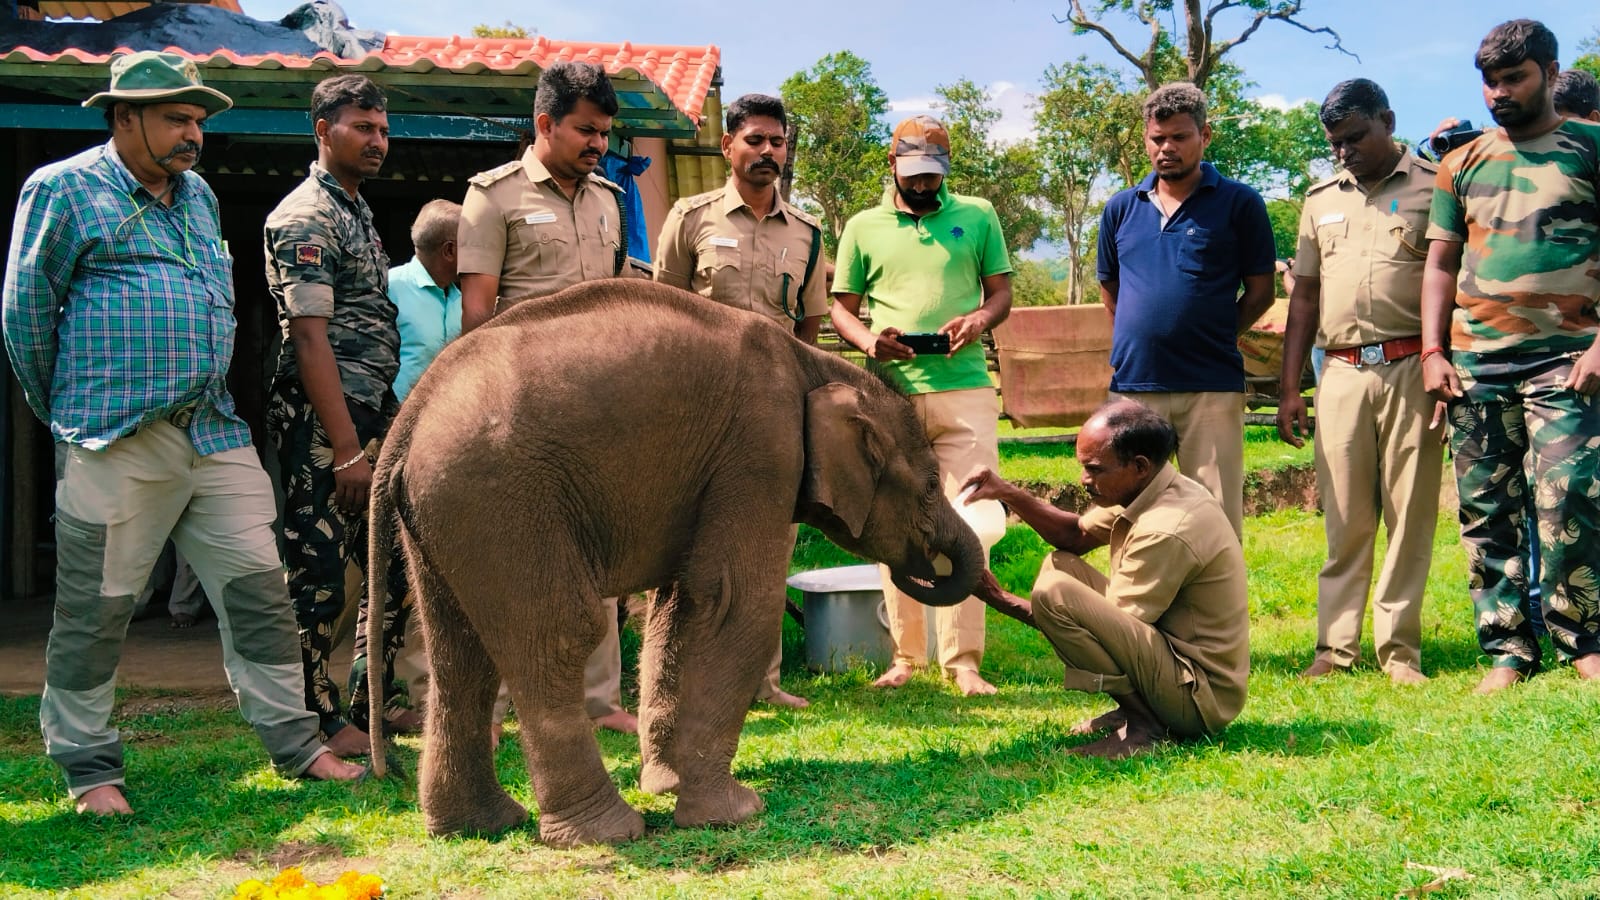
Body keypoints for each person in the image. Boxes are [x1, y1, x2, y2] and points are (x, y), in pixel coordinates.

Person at [2, 51, 365, 815]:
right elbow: (25, 318)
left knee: (262, 591)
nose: (192, 133)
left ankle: (297, 746)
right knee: (96, 608)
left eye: (197, 119)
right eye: (176, 118)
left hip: (211, 429)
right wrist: (71, 412)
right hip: (114, 437)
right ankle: (89, 770)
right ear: (123, 116)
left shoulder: (197, 195)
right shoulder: (63, 190)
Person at [456, 60, 637, 733]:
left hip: (603, 409)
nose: (597, 145)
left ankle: (598, 700)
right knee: (522, 556)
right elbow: (477, 319)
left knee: (604, 551)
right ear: (544, 124)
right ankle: (509, 703)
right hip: (526, 408)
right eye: (585, 131)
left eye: (605, 135)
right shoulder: (492, 197)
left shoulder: (611, 201)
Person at [1421, 19, 1600, 692]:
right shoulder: (1460, 163)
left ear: (1551, 74)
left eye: (1513, 78)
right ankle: (1506, 650)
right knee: (1487, 509)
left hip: (1569, 360)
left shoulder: (1589, 147)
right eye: (1489, 82)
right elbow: (1440, 262)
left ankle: (1582, 640)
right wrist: (1433, 352)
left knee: (1571, 498)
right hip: (1477, 363)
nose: (1498, 93)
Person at [653, 92, 827, 708]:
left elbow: (809, 328)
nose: (767, 152)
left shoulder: (807, 233)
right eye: (754, 140)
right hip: (697, 412)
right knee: (684, 544)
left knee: (768, 545)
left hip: (771, 415)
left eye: (777, 142)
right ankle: (679, 677)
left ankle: (761, 681)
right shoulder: (691, 216)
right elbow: (663, 313)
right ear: (728, 145)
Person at [831, 114, 1013, 697]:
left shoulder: (978, 215)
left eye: (933, 175)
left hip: (964, 389)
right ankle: (906, 655)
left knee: (971, 517)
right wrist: (867, 340)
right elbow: (841, 306)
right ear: (892, 166)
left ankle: (964, 662)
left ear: (947, 170)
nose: (924, 185)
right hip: (890, 392)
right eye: (913, 174)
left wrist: (980, 319)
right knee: (895, 520)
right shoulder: (863, 226)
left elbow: (1001, 293)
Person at [960, 399, 1249, 758]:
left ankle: (1145, 727)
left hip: (1199, 697)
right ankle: (1134, 710)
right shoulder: (1148, 488)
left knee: (1056, 592)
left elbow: (1103, 629)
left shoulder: (1167, 527)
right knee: (1060, 567)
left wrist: (998, 597)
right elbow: (1074, 537)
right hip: (1174, 662)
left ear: (1139, 466)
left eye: (1094, 469)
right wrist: (1006, 492)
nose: (1084, 480)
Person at [1276, 79, 1444, 686]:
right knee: (1344, 518)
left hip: (1412, 370)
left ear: (1388, 120)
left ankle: (1399, 653)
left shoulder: (1435, 186)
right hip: (1340, 371)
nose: (1343, 151)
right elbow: (1305, 298)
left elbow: (1450, 280)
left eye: (1354, 138)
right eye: (1335, 143)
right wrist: (1292, 387)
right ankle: (1334, 649)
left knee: (1410, 514)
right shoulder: (1320, 200)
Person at [264, 74, 409, 755]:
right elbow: (308, 335)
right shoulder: (305, 216)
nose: (378, 140)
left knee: (395, 558)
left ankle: (366, 701)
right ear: (323, 131)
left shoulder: (355, 209)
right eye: (363, 128)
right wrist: (347, 449)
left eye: (382, 129)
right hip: (325, 421)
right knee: (318, 572)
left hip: (368, 408)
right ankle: (315, 720)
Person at [1097, 82, 1278, 539]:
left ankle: (1218, 613)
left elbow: (1261, 292)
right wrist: (1143, 336)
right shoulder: (1121, 209)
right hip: (1135, 388)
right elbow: (1111, 288)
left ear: (1205, 135)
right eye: (1157, 139)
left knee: (1214, 515)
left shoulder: (1240, 203)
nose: (1167, 148)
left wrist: (1216, 333)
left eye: (1179, 137)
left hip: (1210, 387)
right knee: (1132, 513)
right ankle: (1136, 612)